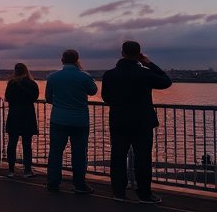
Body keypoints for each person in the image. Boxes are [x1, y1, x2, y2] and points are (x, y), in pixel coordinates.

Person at [101, 42, 172, 203]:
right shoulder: (144, 73)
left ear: (122, 53)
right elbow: (166, 81)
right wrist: (148, 63)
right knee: (143, 158)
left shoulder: (110, 75)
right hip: (142, 122)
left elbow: (106, 98)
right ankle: (144, 193)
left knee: (118, 157)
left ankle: (119, 192)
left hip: (119, 121)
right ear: (139, 54)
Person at [44, 49, 97, 194]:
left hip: (58, 119)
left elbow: (48, 98)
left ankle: (53, 182)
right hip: (79, 120)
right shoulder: (84, 76)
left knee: (55, 152)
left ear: (62, 60)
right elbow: (93, 91)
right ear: (77, 60)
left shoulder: (53, 77)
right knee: (79, 153)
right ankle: (79, 184)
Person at [3, 63, 39, 178]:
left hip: (14, 115)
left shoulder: (11, 83)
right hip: (27, 115)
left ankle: (11, 170)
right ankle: (27, 171)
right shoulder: (31, 83)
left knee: (12, 143)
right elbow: (35, 97)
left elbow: (7, 98)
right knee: (27, 145)